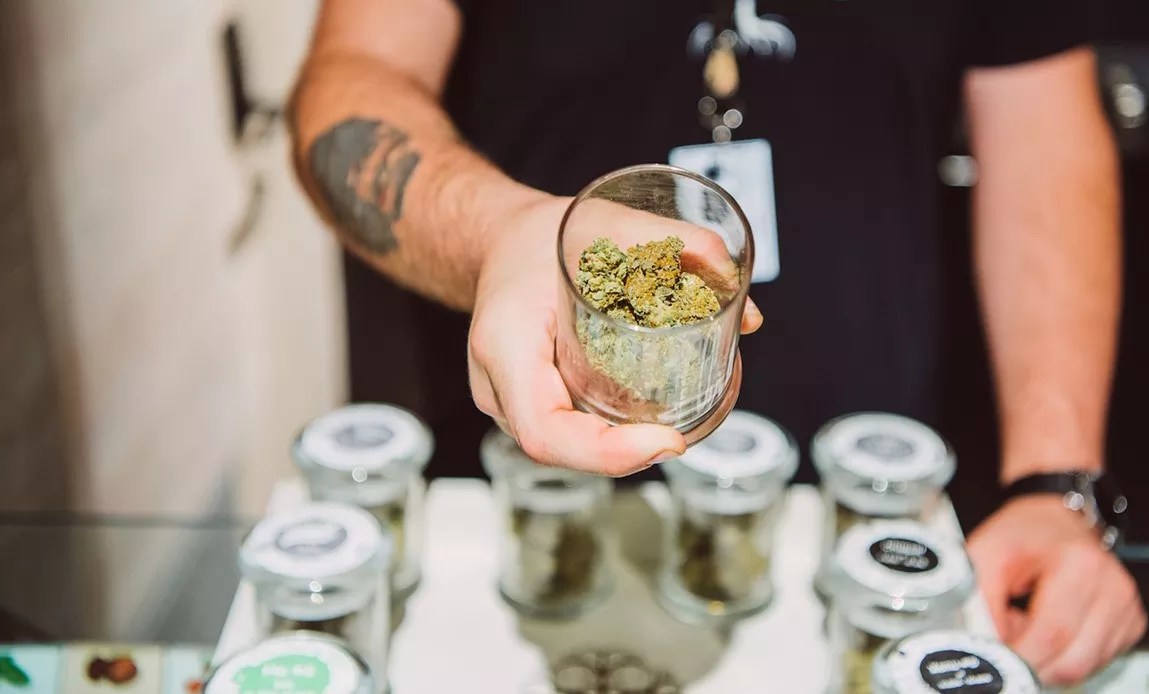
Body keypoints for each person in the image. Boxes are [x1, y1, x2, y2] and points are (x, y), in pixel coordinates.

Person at [290, 0, 1146, 685]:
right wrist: (501, 231)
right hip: (533, 484)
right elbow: (352, 79)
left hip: (859, 504)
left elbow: (1039, 119)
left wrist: (1055, 484)